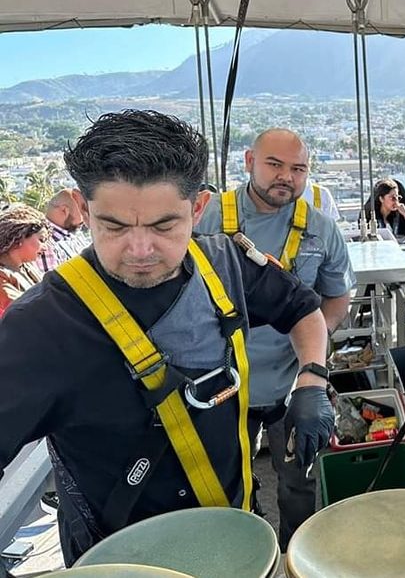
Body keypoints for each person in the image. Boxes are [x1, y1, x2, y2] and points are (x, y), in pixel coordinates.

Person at [0, 110, 334, 565]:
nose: (140, 251)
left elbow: (304, 309)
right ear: (83, 207)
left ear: (197, 208)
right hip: (121, 561)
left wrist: (312, 380)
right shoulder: (42, 327)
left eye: (163, 226)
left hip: (233, 532)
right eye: (113, 226)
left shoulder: (226, 265)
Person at [195, 127, 355, 549]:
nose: (287, 177)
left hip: (293, 386)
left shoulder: (320, 230)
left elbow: (337, 299)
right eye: (275, 165)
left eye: (298, 169)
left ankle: (295, 559)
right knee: (228, 487)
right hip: (224, 387)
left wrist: (313, 359)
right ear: (249, 162)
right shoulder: (209, 219)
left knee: (298, 484)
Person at [0, 203, 49, 315]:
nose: (45, 248)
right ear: (19, 237)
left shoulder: (27, 268)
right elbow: (25, 312)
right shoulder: (2, 277)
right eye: (41, 240)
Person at [35, 189, 88, 272]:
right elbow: (53, 283)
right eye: (83, 212)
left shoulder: (74, 234)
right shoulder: (44, 244)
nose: (85, 219)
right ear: (64, 210)